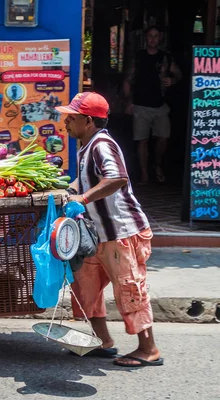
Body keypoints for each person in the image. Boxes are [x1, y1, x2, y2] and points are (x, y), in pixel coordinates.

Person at [55, 92, 163, 367]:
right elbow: (86, 177)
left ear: (88, 121)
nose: (66, 121)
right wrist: (70, 190)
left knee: (130, 288)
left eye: (72, 117)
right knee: (85, 283)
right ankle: (103, 342)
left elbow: (116, 178)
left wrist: (85, 198)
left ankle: (148, 349)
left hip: (121, 233)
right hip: (97, 235)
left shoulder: (102, 144)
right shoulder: (86, 145)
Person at [124, 26, 182, 184]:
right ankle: (144, 174)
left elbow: (179, 74)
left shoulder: (165, 58)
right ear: (145, 38)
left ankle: (157, 165)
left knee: (163, 137)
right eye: (150, 36)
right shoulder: (138, 57)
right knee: (142, 140)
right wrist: (129, 102)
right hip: (140, 105)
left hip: (160, 106)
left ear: (160, 38)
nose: (153, 39)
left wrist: (173, 80)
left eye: (156, 36)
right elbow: (128, 80)